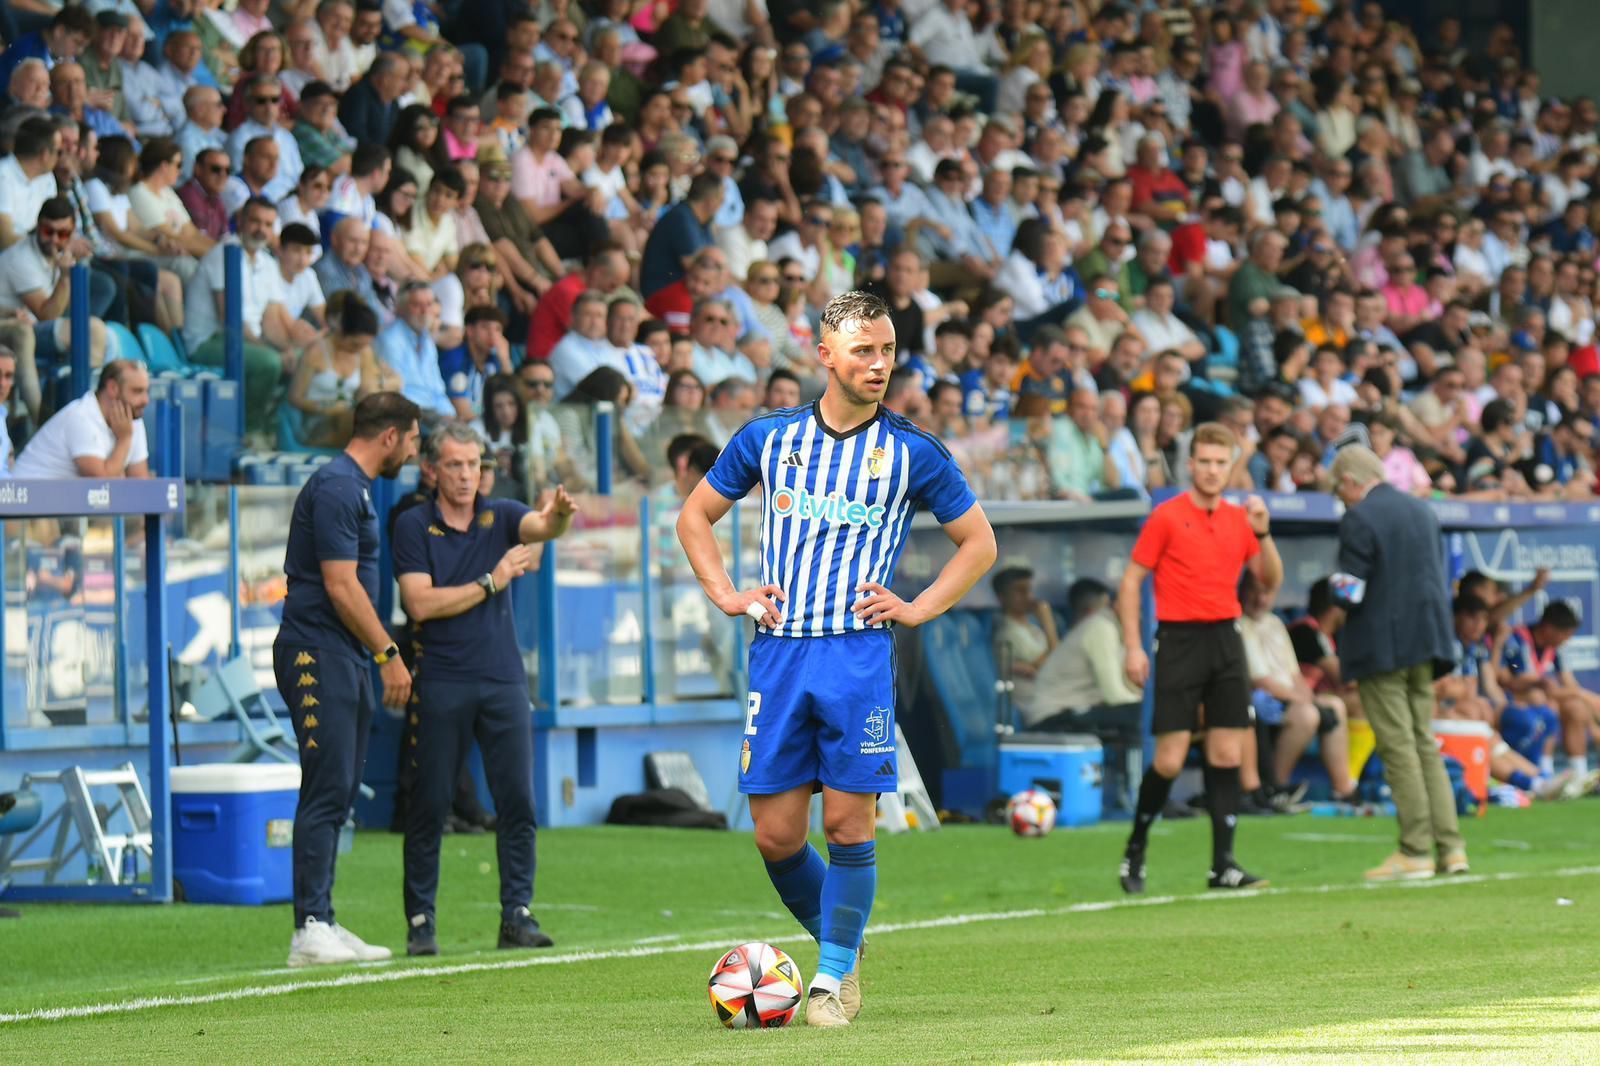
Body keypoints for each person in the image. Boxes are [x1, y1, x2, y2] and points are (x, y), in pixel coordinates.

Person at [676, 289, 996, 1027]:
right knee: (775, 836)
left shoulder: (913, 451)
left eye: (887, 351)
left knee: (850, 827)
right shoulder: (769, 438)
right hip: (779, 656)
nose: (879, 364)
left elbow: (979, 544)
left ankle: (829, 982)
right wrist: (726, 594)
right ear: (825, 355)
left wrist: (917, 606)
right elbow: (695, 516)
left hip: (856, 659)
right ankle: (841, 941)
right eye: (863, 351)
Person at [392, 423, 576, 956]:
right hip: (441, 679)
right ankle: (421, 922)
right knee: (430, 803)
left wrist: (560, 514)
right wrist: (490, 582)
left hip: (502, 679)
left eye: (473, 464)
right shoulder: (412, 525)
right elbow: (419, 603)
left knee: (518, 800)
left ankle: (517, 914)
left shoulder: (503, 514)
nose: (466, 475)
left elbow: (542, 526)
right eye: (455, 465)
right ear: (432, 470)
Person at [274, 391, 419, 967]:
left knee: (339, 789)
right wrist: (389, 653)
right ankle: (309, 927)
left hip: (344, 653)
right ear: (390, 436)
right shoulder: (337, 487)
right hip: (317, 650)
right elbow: (340, 585)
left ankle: (324, 918)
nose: (413, 453)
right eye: (412, 440)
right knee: (325, 787)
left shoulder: (353, 487)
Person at [1117, 422, 1281, 895]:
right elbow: (1131, 581)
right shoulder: (1166, 516)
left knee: (1228, 752)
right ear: (1190, 465)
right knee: (1169, 759)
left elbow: (1269, 579)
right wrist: (1133, 646)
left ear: (1231, 468)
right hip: (1179, 639)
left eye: (1220, 463)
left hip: (1227, 638)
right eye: (1204, 461)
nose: (1211, 470)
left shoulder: (1240, 518)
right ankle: (1136, 847)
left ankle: (1223, 865)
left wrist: (1264, 533)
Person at [1328, 444, 1466, 881]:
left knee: (1398, 746)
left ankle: (1415, 849)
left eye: (1339, 491)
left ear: (1349, 481)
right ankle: (1452, 848)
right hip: (1427, 642)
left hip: (1382, 648)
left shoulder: (1359, 517)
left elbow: (1350, 591)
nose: (1341, 499)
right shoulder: (1422, 510)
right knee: (1424, 741)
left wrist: (1331, 585)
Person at [13, 358, 149, 478]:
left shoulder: (132, 417)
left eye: (146, 391)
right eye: (137, 391)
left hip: (60, 497)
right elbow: (102, 485)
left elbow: (140, 482)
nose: (146, 400)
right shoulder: (81, 416)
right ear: (113, 388)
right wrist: (124, 439)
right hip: (26, 495)